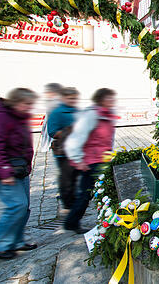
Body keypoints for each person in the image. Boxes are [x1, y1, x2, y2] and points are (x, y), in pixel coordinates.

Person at [0, 88, 39, 259]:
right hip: (2, 172)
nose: (29, 107)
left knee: (24, 207)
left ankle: (16, 240)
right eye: (26, 104)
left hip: (19, 170)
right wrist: (5, 172)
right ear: (15, 102)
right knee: (16, 205)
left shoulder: (19, 118)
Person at [64, 88, 117, 234]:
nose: (113, 101)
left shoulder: (108, 115)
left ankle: (107, 219)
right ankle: (72, 222)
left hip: (103, 160)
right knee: (85, 193)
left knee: (104, 191)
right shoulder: (91, 115)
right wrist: (78, 160)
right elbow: (77, 138)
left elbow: (108, 139)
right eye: (109, 99)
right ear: (101, 99)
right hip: (91, 162)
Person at [46, 87, 80, 210]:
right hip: (64, 152)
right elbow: (52, 132)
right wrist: (70, 131)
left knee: (75, 177)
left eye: (75, 98)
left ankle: (73, 198)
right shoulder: (57, 112)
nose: (73, 100)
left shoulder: (76, 110)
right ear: (64, 98)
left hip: (76, 150)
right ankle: (68, 205)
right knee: (66, 178)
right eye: (70, 98)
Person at [38, 83, 63, 153]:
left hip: (55, 139)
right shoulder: (52, 103)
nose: (45, 94)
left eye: (47, 92)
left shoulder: (55, 104)